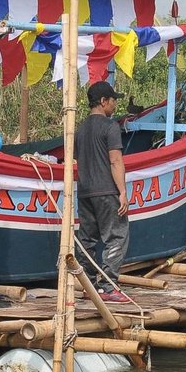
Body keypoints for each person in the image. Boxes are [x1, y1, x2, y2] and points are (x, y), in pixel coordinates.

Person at [74, 81, 129, 303]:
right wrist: (122, 191)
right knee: (117, 236)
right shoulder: (110, 126)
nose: (115, 105)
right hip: (106, 191)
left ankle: (88, 286)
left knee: (87, 239)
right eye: (113, 100)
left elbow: (79, 159)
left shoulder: (80, 129)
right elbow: (115, 161)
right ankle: (108, 286)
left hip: (84, 191)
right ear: (103, 102)